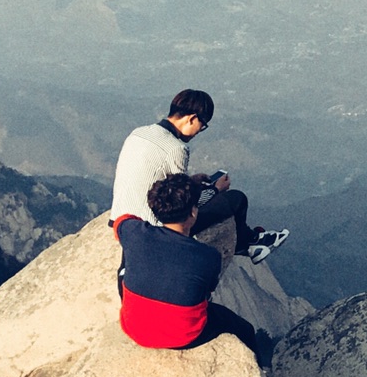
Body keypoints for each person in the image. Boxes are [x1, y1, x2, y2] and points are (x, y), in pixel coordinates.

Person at [110, 88, 289, 263]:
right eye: (202, 126)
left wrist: (192, 181)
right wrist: (215, 190)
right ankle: (248, 243)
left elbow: (157, 179)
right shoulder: (176, 148)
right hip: (155, 227)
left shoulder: (139, 133)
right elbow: (182, 205)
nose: (199, 131)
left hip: (120, 221)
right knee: (236, 199)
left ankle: (250, 241)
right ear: (192, 118)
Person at [116, 173, 272, 363]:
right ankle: (261, 368)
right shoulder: (207, 256)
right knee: (244, 328)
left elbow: (121, 221)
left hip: (134, 328)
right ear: (193, 213)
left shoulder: (134, 232)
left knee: (127, 256)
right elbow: (206, 292)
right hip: (185, 335)